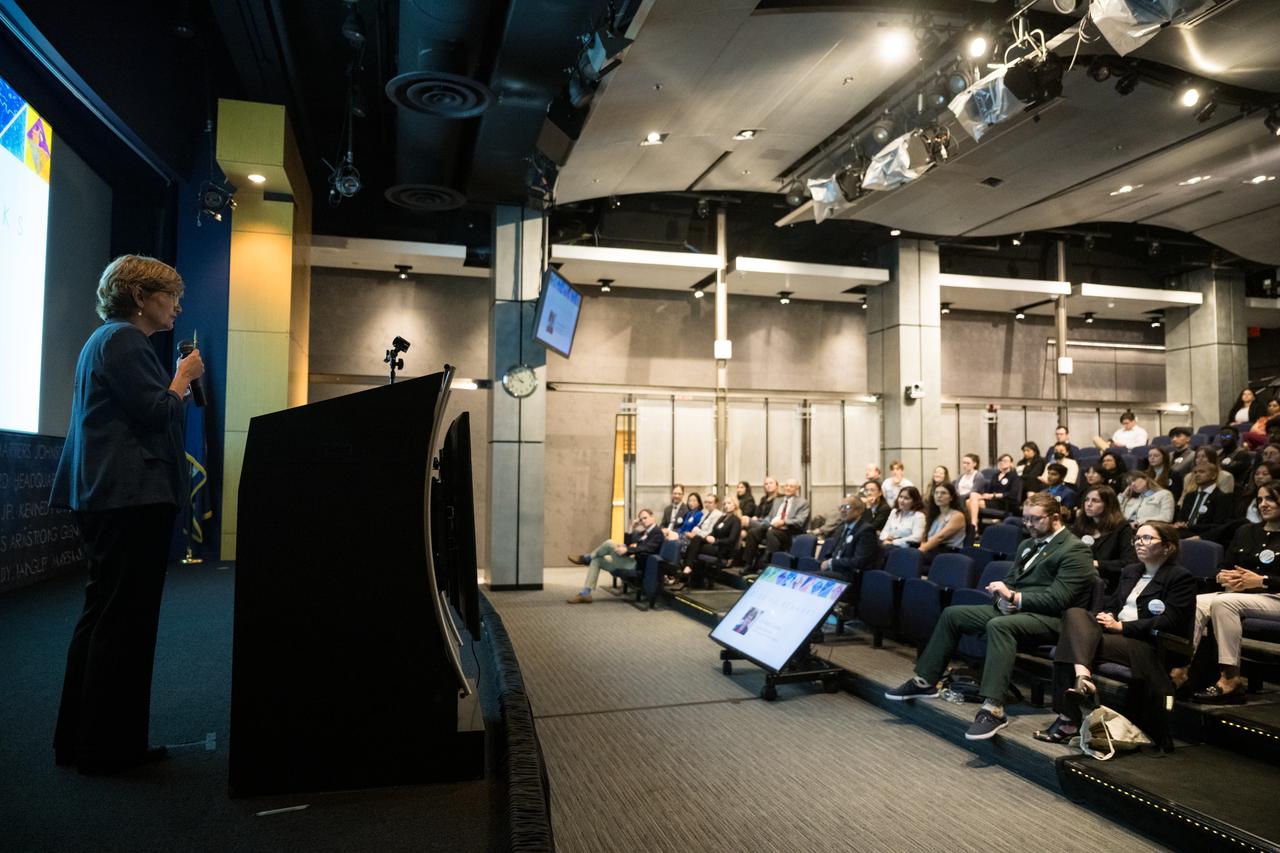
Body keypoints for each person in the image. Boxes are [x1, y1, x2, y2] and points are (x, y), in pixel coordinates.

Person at [51, 255, 205, 774]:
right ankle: (110, 748)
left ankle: (81, 741)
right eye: (170, 296)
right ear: (140, 296)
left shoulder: (111, 340)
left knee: (104, 616)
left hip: (114, 497)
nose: (178, 306)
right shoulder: (123, 340)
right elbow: (158, 412)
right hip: (129, 497)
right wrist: (183, 376)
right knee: (125, 623)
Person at [885, 493, 1096, 740]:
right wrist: (1001, 599)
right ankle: (925, 681)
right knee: (953, 614)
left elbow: (1061, 599)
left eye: (1034, 519)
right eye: (1025, 519)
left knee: (999, 625)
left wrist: (1014, 599)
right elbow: (1008, 583)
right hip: (1017, 611)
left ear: (1056, 518)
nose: (1027, 525)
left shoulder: (1075, 550)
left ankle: (993, 709)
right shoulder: (1027, 545)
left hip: (1052, 619)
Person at [1034, 520, 1195, 748]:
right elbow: (1114, 603)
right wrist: (1106, 615)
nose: (1139, 542)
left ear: (1168, 547)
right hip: (1114, 635)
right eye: (1137, 538)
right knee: (1075, 614)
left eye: (1147, 538)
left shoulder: (1180, 577)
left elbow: (1171, 621)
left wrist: (1123, 627)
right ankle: (1083, 677)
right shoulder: (1131, 571)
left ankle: (1067, 719)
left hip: (1144, 644)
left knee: (1070, 642)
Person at [1181, 484, 1280, 704]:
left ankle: (1231, 679)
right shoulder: (1246, 531)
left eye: (1271, 499)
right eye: (1260, 499)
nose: (1264, 504)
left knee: (1225, 603)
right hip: (1242, 595)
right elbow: (1224, 566)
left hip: (1275, 597)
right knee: (1196, 602)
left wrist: (1262, 581)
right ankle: (1184, 671)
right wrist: (1223, 577)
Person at [566, 509, 664, 603]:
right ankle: (585, 594)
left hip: (637, 565)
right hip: (629, 561)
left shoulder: (657, 533)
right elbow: (628, 543)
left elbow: (647, 548)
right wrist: (631, 528)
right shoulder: (644, 533)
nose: (642, 521)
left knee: (609, 543)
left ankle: (586, 558)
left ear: (652, 517)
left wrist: (627, 550)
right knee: (597, 561)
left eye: (645, 518)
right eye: (641, 519)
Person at [1071, 485, 1136, 591]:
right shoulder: (1080, 524)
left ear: (1108, 505)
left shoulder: (1122, 527)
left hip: (1108, 583)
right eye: (1087, 500)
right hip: (1078, 578)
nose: (1088, 504)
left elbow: (1129, 562)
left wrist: (1097, 564)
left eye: (1095, 501)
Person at [680, 497, 742, 589]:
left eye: (729, 503)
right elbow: (713, 532)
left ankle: (687, 568)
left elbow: (731, 540)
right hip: (713, 545)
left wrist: (716, 541)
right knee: (696, 539)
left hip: (723, 548)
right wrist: (708, 537)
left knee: (694, 547)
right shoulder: (722, 518)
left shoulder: (736, 520)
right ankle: (688, 569)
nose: (726, 506)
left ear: (735, 505)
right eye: (724, 504)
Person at [819, 497, 878, 578]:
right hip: (833, 571)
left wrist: (831, 563)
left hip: (849, 575)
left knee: (812, 577)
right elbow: (831, 553)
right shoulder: (841, 528)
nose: (843, 510)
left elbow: (859, 561)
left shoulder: (866, 530)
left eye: (847, 507)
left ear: (859, 510)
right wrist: (824, 562)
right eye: (841, 507)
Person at [757, 478, 810, 565]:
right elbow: (770, 517)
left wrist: (784, 522)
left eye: (791, 486)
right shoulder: (778, 500)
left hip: (790, 531)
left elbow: (800, 521)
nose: (788, 488)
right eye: (786, 486)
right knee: (754, 531)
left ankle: (769, 560)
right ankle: (749, 564)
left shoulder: (802, 503)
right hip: (774, 527)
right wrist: (762, 522)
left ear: (797, 489)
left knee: (772, 533)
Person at [1174, 463, 1234, 541]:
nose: (1197, 475)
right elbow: (1181, 518)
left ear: (1214, 476)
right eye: (1195, 472)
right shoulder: (1190, 496)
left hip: (1204, 535)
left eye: (1202, 472)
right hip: (1183, 532)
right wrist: (1179, 523)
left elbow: (1218, 525)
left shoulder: (1222, 497)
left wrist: (1189, 526)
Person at [965, 453, 1022, 528]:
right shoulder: (995, 476)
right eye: (1000, 461)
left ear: (1011, 463)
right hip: (992, 500)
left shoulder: (1014, 477)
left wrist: (994, 495)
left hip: (1005, 502)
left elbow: (1012, 494)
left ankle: (973, 527)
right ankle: (975, 526)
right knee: (971, 498)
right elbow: (989, 491)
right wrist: (987, 496)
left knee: (970, 502)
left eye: (1005, 461)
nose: (1002, 462)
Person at [918, 482, 966, 564]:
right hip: (933, 550)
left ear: (951, 498)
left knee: (910, 557)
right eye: (936, 493)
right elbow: (925, 536)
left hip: (949, 553)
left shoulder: (958, 516)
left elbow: (940, 537)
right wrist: (922, 546)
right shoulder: (935, 516)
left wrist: (920, 551)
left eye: (943, 493)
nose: (939, 496)